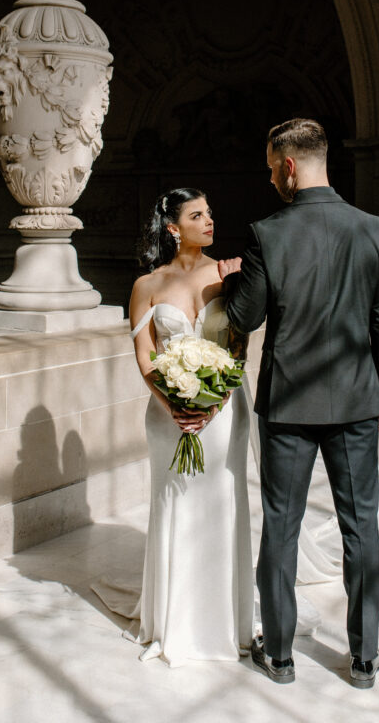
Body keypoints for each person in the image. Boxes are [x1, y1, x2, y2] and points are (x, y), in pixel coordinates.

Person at [218, 118, 379, 688]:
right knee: (361, 526)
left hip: (288, 403)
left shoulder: (268, 234)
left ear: (290, 166)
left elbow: (244, 318)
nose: (271, 175)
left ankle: (278, 656)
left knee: (282, 526)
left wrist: (231, 279)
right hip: (355, 401)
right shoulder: (374, 230)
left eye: (272, 166)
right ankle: (365, 657)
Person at [127, 187, 253, 667]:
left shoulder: (229, 274)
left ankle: (224, 622)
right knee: (174, 501)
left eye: (211, 212)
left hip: (224, 410)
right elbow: (145, 356)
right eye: (197, 214)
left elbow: (239, 347)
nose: (210, 221)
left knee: (222, 500)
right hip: (168, 415)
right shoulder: (147, 285)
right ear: (173, 227)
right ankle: (171, 622)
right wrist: (174, 406)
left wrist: (212, 403)